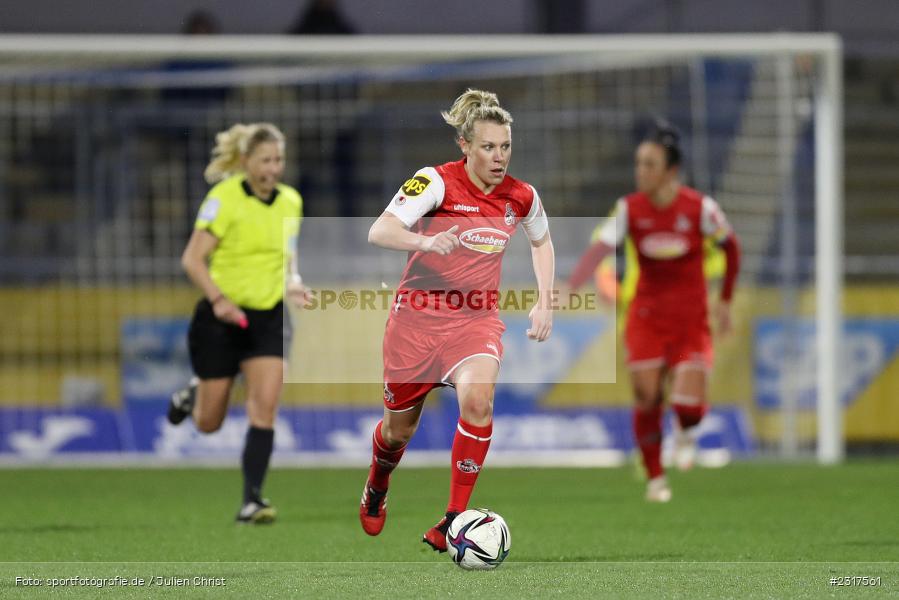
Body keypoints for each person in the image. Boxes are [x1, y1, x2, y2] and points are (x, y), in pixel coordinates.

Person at [359, 89, 554, 551]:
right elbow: (379, 230)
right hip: (417, 323)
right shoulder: (434, 182)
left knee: (479, 401)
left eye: (505, 146)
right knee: (397, 431)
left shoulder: (521, 196)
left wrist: (545, 300)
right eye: (488, 147)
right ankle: (378, 483)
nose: (499, 156)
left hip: (475, 322)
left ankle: (452, 520)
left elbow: (541, 242)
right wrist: (425, 243)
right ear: (465, 146)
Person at [567, 125, 740, 503]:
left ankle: (685, 431)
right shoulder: (629, 208)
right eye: (638, 164)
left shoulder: (701, 208)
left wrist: (724, 302)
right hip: (646, 316)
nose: (640, 171)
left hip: (690, 320)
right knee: (647, 398)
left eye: (649, 164)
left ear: (670, 171)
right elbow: (599, 249)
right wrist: (569, 287)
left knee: (687, 408)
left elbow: (732, 248)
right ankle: (657, 480)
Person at [167, 123, 312, 523]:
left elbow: (288, 262)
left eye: (278, 159)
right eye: (265, 160)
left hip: (269, 319)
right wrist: (218, 300)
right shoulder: (224, 198)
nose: (273, 168)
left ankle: (252, 500)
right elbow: (192, 259)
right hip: (221, 318)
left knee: (264, 409)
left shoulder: (291, 202)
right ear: (246, 161)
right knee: (209, 423)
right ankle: (193, 395)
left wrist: (295, 285)